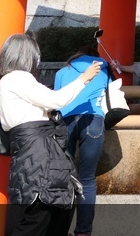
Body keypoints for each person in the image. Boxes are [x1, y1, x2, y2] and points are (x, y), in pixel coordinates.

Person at [0, 33, 101, 236]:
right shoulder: (19, 78)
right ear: (27, 57)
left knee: (35, 213)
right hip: (42, 153)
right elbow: (56, 100)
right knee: (45, 215)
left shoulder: (0, 86)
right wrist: (83, 79)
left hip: (24, 152)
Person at [55, 39, 110, 236]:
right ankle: (83, 232)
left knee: (64, 176)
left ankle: (59, 230)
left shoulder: (62, 72)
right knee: (87, 178)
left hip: (66, 121)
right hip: (93, 121)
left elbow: (56, 101)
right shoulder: (103, 69)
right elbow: (110, 93)